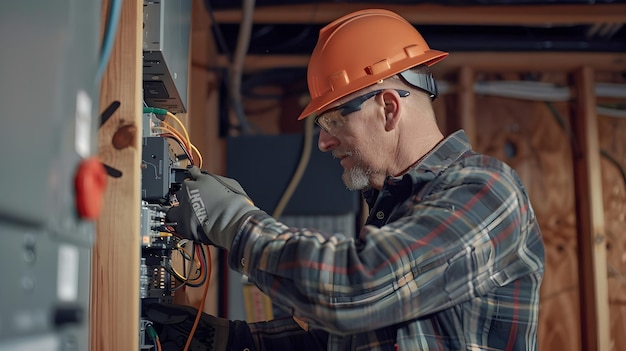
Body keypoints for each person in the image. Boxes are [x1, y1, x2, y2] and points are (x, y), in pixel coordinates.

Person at [148, 8, 545, 351]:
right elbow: (345, 340)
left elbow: (355, 290)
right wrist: (228, 340)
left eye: (334, 121)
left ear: (388, 108)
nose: (323, 142)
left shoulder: (488, 191)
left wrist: (235, 224)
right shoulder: (398, 210)